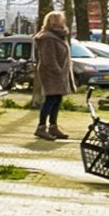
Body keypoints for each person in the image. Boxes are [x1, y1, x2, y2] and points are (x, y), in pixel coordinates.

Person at [33, 11, 74, 139]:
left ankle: (53, 126)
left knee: (57, 99)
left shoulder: (60, 36)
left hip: (59, 73)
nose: (64, 22)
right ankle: (41, 127)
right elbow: (48, 58)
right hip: (50, 73)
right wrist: (58, 70)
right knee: (50, 99)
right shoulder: (48, 37)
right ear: (55, 22)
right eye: (61, 19)